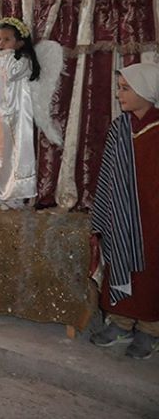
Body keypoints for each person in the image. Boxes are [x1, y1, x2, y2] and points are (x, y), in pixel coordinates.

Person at [90, 63, 159, 360]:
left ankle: (149, 328)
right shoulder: (119, 128)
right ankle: (120, 322)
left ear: (146, 90)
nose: (119, 95)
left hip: (152, 218)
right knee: (119, 262)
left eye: (125, 89)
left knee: (149, 273)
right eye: (119, 88)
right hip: (121, 215)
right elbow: (107, 173)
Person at [0, 18, 41, 209]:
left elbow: (11, 73)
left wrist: (2, 54)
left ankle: (15, 195)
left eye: (6, 39)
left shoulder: (22, 61)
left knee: (13, 154)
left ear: (19, 42)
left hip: (13, 118)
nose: (1, 43)